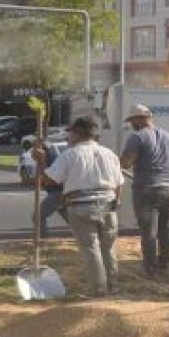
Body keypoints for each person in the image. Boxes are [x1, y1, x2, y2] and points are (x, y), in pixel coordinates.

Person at [35, 117, 124, 296]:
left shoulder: (70, 154)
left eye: (70, 132)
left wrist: (41, 162)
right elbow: (119, 183)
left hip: (81, 205)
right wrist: (116, 202)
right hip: (108, 202)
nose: (68, 136)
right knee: (108, 248)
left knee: (91, 248)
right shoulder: (109, 153)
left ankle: (99, 289)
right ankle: (113, 286)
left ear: (77, 133)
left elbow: (49, 180)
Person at [120, 103, 169, 276]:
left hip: (147, 189)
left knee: (149, 232)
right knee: (166, 230)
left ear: (139, 119)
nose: (131, 124)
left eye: (132, 120)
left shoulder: (137, 137)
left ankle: (151, 270)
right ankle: (164, 265)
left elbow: (126, 163)